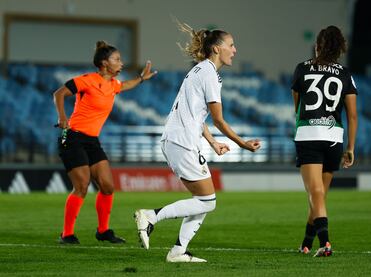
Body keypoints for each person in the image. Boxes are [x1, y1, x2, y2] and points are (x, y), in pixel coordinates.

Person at [134, 22, 261, 262]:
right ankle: (151, 216)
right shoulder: (209, 74)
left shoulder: (201, 71)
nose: (234, 50)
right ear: (216, 48)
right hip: (181, 141)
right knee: (208, 201)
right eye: (231, 45)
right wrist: (243, 144)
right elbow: (219, 120)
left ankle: (179, 251)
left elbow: (198, 116)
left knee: (204, 201)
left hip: (179, 139)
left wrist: (212, 142)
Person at [53, 41, 157, 244]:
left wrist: (142, 78)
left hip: (92, 140)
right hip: (72, 137)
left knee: (108, 186)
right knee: (81, 186)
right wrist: (62, 117)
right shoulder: (87, 80)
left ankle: (103, 231)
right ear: (104, 63)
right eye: (117, 59)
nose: (121, 62)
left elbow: (126, 85)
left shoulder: (113, 85)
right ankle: (66, 234)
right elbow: (59, 94)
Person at [291, 26, 358, 257]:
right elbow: (352, 115)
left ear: (317, 45)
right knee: (319, 195)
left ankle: (326, 243)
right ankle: (306, 243)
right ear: (340, 48)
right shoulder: (345, 74)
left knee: (315, 193)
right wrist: (350, 147)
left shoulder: (302, 68)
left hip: (309, 135)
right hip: (334, 137)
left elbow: (297, 107)